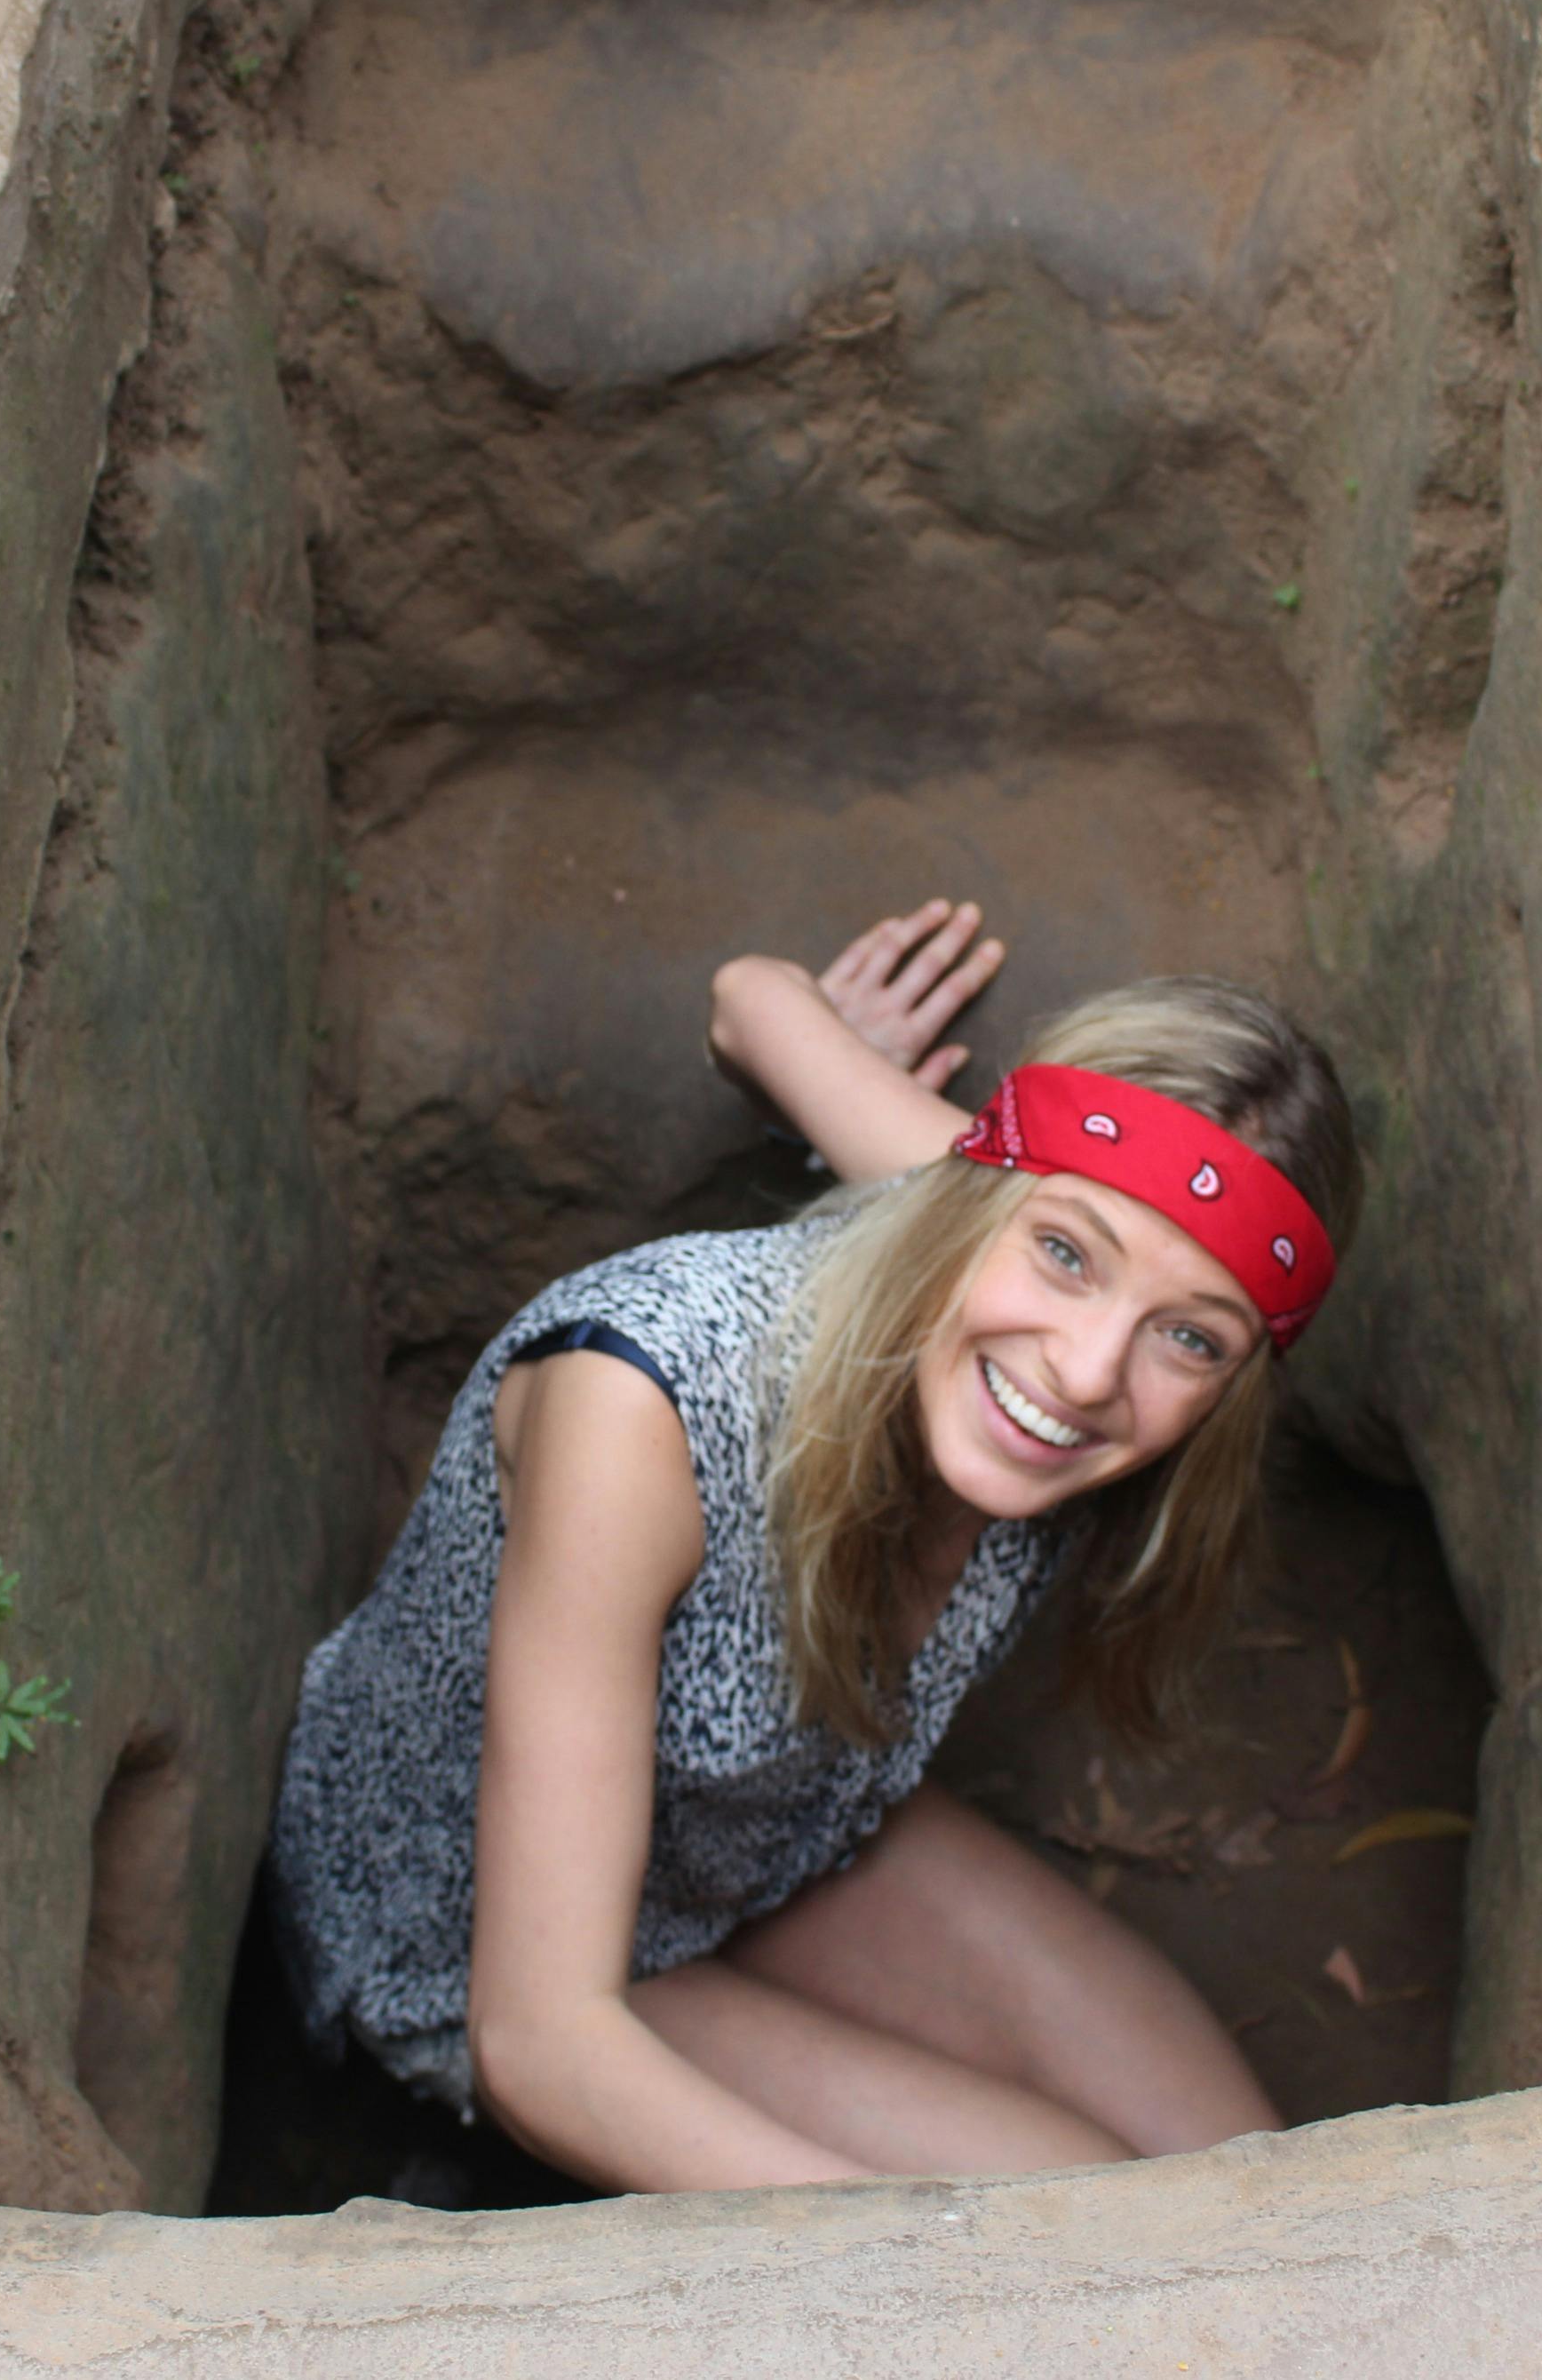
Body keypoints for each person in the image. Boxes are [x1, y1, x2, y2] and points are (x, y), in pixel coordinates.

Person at [266, 900, 1359, 2193]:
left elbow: (754, 1008)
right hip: (488, 1935)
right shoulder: (643, 1408)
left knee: (1252, 2181)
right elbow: (540, 2042)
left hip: (783, 1831)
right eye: (1067, 1255)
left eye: (1190, 1337)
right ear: (969, 1192)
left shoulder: (1033, 1206)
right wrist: (930, 2258)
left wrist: (827, 1056)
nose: (1086, 1369)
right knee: (1078, 2216)